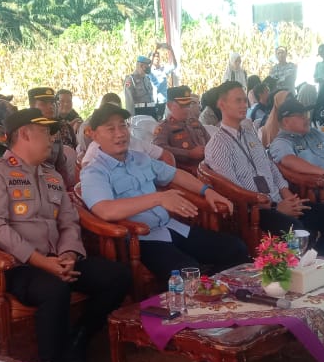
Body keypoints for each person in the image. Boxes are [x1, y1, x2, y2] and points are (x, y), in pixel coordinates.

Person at [0, 108, 129, 362]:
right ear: (24, 134)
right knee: (54, 288)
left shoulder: (51, 175)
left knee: (117, 275)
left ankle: (77, 343)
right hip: (18, 266)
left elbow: (69, 221)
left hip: (59, 259)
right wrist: (41, 261)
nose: (52, 139)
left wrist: (68, 254)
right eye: (45, 132)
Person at [80, 102, 248, 284]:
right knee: (188, 273)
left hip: (170, 226)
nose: (120, 133)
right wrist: (158, 198)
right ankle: (199, 298)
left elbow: (174, 174)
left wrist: (207, 191)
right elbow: (105, 210)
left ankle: (220, 297)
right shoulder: (94, 171)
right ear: (95, 135)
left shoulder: (140, 158)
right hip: (141, 239)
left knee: (235, 248)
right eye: (110, 129)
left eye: (123, 125)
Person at [203, 82, 324, 256]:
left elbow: (271, 166)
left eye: (244, 100)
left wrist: (287, 195)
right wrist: (276, 208)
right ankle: (304, 265)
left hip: (279, 201)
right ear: (221, 104)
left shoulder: (248, 132)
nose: (244, 105)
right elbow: (232, 190)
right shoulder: (217, 145)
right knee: (296, 230)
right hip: (254, 211)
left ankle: (313, 259)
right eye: (237, 101)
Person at [153, 86, 211, 173]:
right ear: (169, 105)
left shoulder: (195, 122)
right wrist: (189, 154)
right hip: (185, 172)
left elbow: (210, 141)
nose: (187, 109)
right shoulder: (163, 128)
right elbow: (159, 149)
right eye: (182, 105)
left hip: (207, 168)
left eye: (188, 105)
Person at [29, 86, 78, 151]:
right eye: (44, 103)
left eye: (52, 103)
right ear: (32, 105)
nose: (50, 106)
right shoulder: (27, 129)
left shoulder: (62, 127)